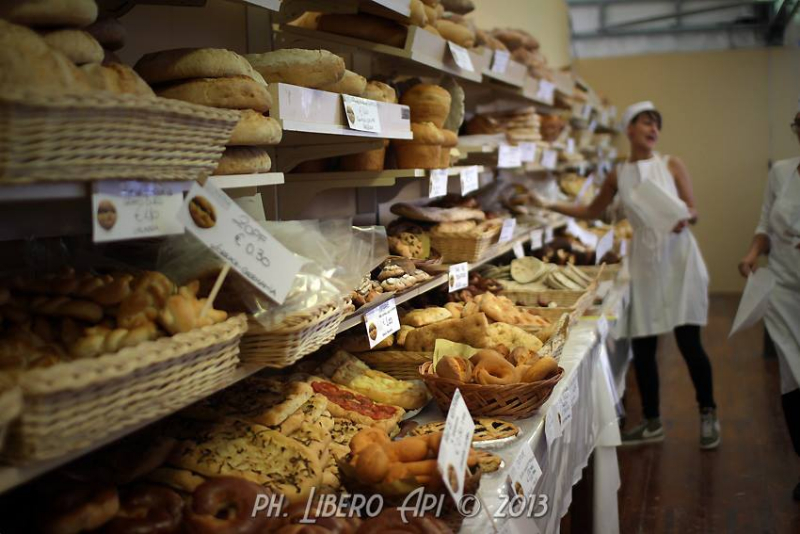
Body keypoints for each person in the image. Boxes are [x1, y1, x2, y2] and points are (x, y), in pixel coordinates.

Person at [534, 102, 720, 449]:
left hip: (678, 259)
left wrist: (686, 216)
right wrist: (547, 205)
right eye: (646, 122)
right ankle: (652, 421)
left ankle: (708, 413)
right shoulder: (618, 174)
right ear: (629, 129)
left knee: (689, 342)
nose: (653, 129)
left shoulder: (671, 164)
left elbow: (693, 208)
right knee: (643, 344)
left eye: (657, 124)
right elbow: (591, 210)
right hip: (645, 264)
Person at [738, 101, 800, 499]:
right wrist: (751, 253)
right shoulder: (781, 172)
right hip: (784, 289)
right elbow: (765, 223)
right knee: (792, 378)